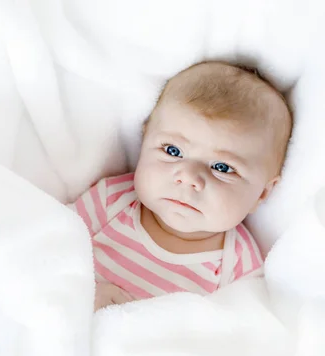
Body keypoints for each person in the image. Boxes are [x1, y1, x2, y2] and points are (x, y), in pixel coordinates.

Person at [69, 60, 292, 310]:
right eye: (173, 150)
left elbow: (236, 334)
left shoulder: (239, 266)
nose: (188, 177)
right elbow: (49, 243)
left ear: (262, 193)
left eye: (222, 168)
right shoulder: (111, 201)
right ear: (145, 140)